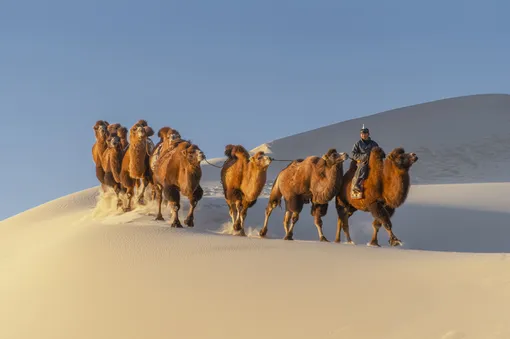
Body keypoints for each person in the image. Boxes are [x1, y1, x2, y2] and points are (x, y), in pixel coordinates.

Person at [351, 124, 379, 194]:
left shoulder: (374, 144)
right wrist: (364, 156)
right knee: (363, 167)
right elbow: (353, 154)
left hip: (373, 162)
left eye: (365, 133)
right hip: (362, 162)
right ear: (360, 135)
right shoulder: (358, 144)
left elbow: (378, 152)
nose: (364, 135)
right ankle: (357, 184)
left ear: (368, 134)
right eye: (362, 134)